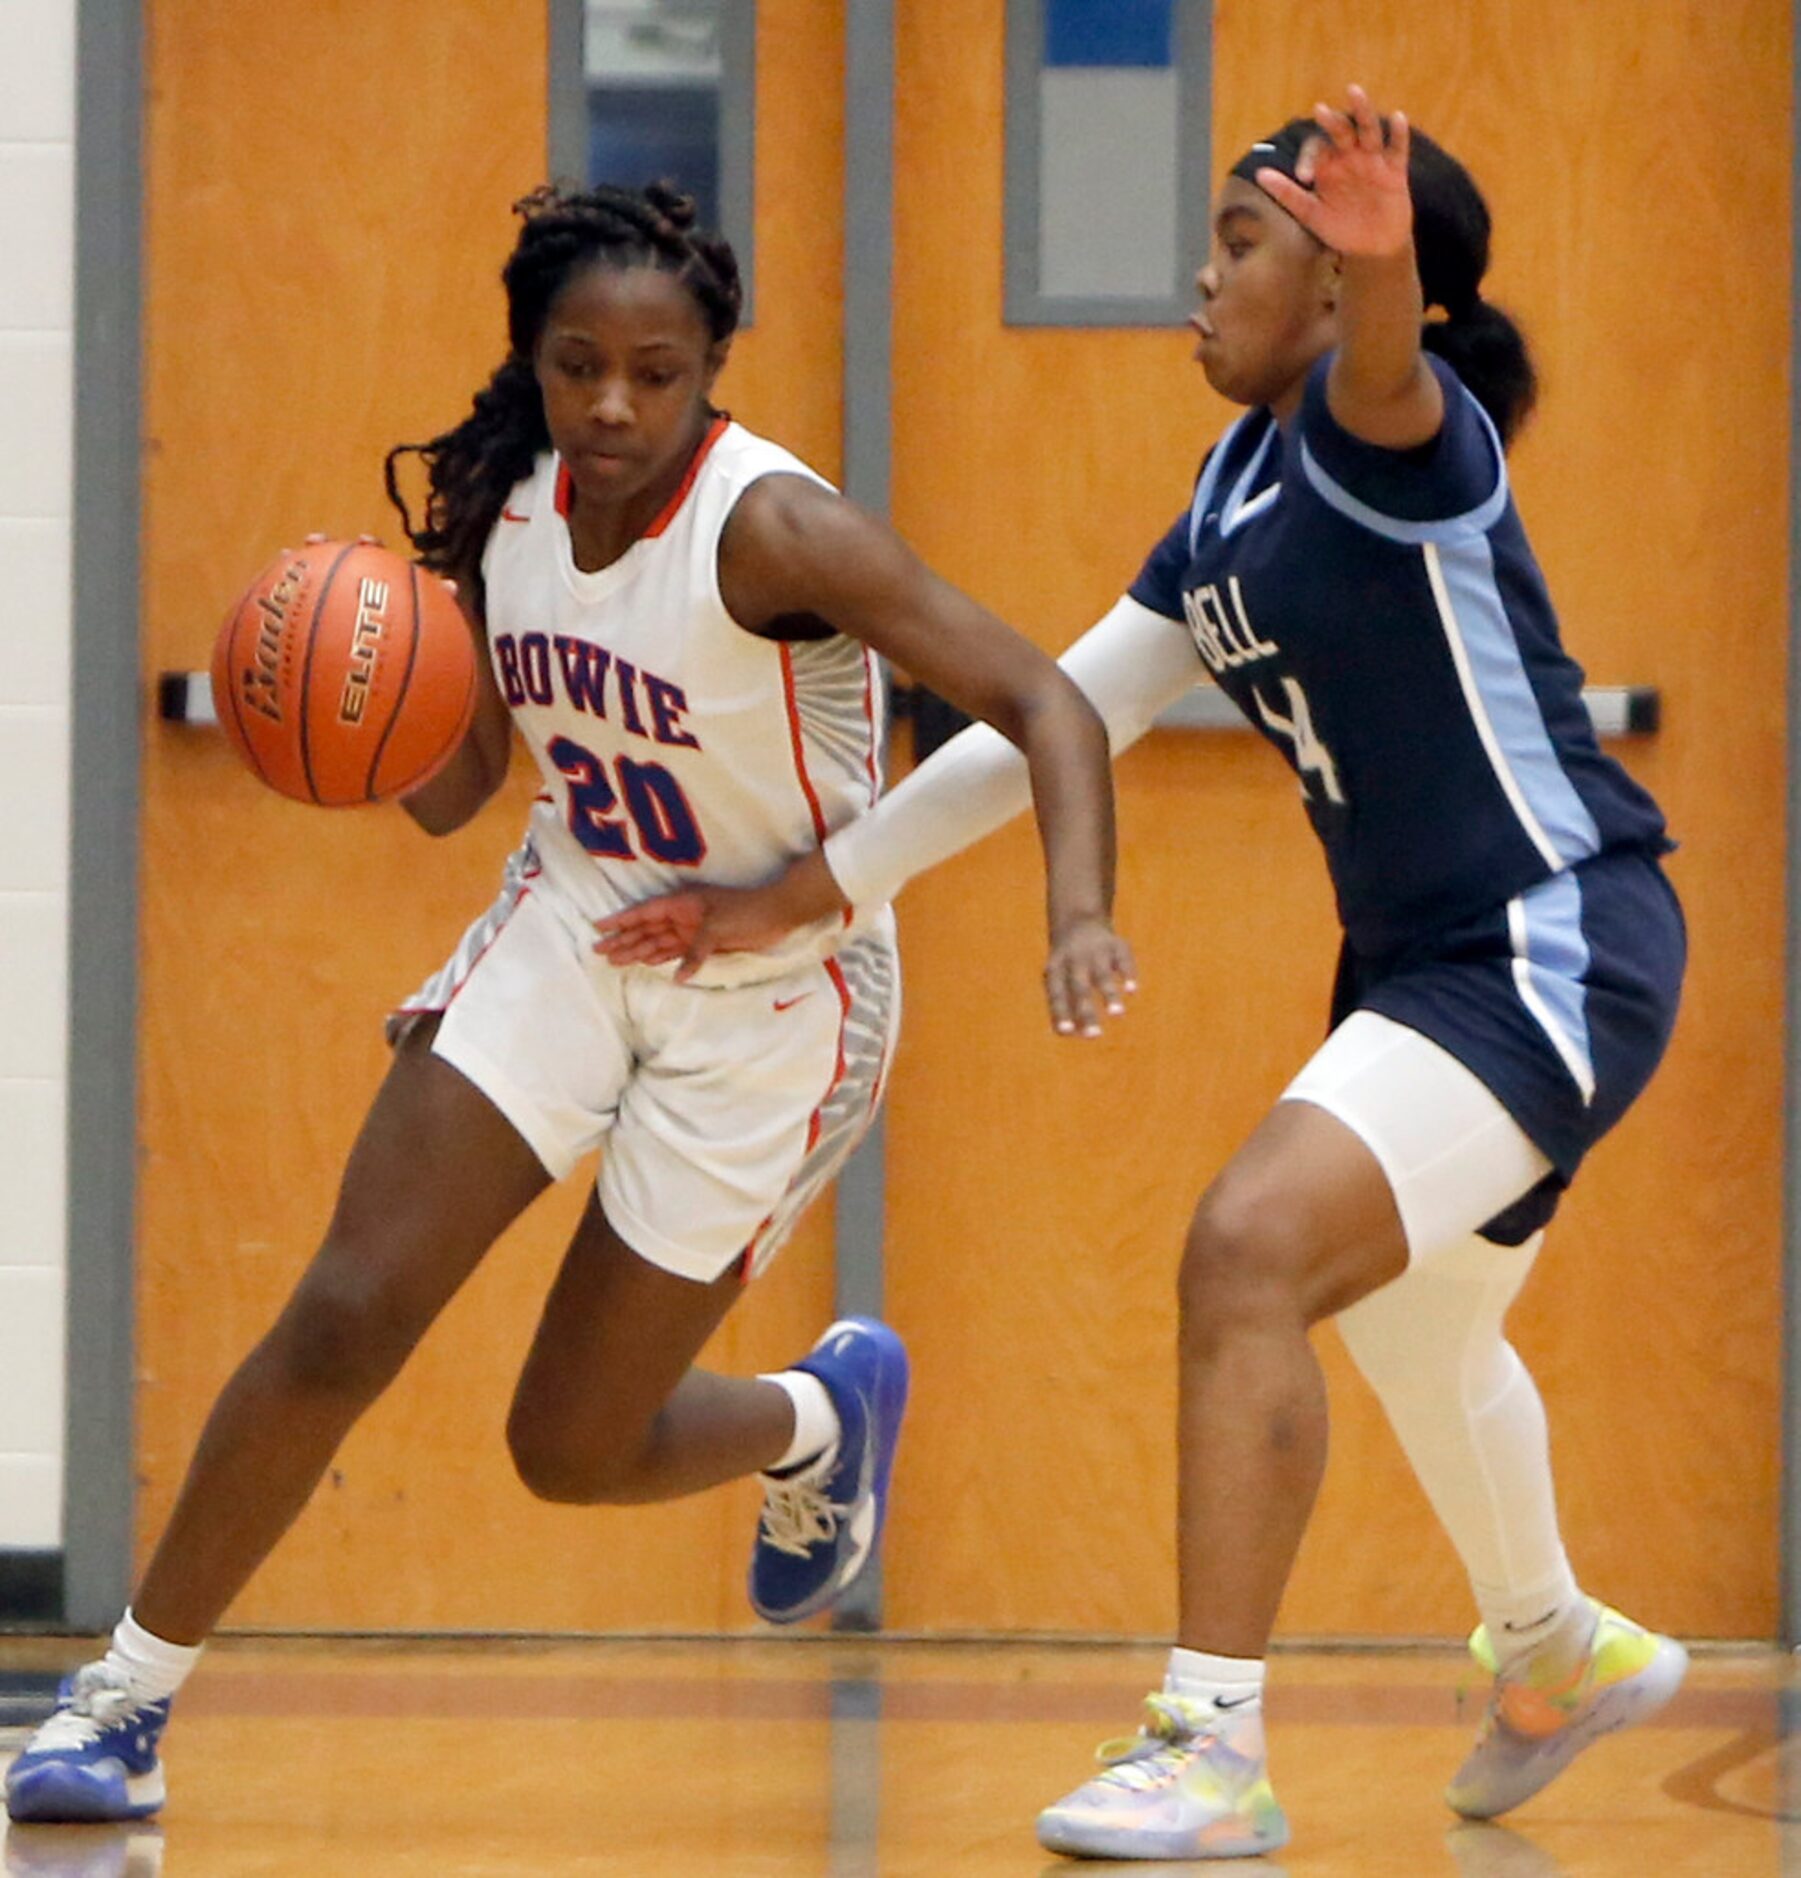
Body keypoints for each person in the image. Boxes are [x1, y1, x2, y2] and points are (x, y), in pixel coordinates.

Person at [591, 91, 1689, 1861]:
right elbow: (1059, 713)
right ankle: (1555, 1645)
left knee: (1247, 1244)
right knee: (1420, 1327)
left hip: (1545, 933)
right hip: (1423, 962)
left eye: (1244, 244)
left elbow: (1391, 353)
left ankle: (1211, 1741)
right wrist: (817, 885)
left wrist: (1382, 253)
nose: (1200, 273)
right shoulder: (1235, 490)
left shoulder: (1390, 427)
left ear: (1335, 287)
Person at [4, 180, 1133, 1827]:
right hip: (583, 912)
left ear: (708, 372)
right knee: (344, 1307)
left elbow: (1045, 697)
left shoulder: (773, 530)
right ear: (531, 357)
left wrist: (1077, 910)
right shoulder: (502, 502)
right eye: (578, 364)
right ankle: (122, 1699)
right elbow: (463, 789)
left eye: (655, 373)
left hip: (774, 990)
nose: (612, 404)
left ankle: (817, 1416)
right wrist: (349, 700)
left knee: (567, 1445)